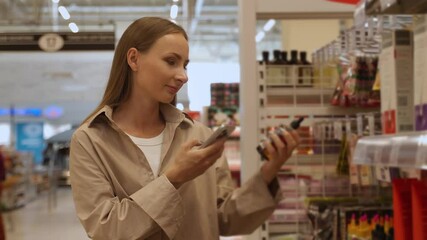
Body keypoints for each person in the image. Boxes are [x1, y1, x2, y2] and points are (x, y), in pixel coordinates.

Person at [69, 17, 300, 240]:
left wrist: (269, 171)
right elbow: (106, 229)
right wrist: (173, 178)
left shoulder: (199, 135)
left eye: (185, 65)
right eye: (171, 61)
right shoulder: (91, 140)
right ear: (134, 59)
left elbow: (226, 219)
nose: (183, 76)